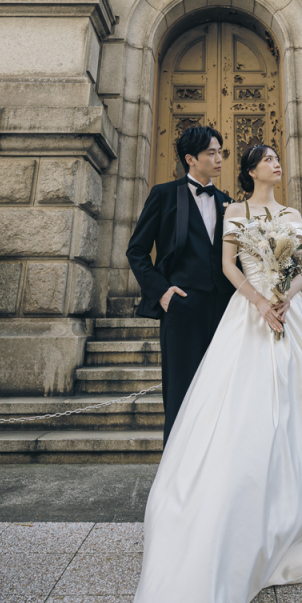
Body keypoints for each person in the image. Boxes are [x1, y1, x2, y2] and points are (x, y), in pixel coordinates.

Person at [131, 143, 302, 603]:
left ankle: (294, 514)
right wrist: (258, 301)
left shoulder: (291, 213)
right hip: (245, 315)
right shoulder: (231, 209)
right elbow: (226, 266)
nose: (277, 164)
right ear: (254, 170)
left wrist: (285, 299)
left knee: (296, 414)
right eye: (268, 158)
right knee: (234, 415)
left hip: (290, 316)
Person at [126, 125, 233, 443]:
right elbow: (137, 250)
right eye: (211, 153)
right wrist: (162, 293)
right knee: (182, 392)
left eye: (220, 152)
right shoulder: (164, 194)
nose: (218, 159)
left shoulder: (228, 202)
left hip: (225, 311)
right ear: (190, 158)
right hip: (182, 307)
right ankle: (177, 478)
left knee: (220, 392)